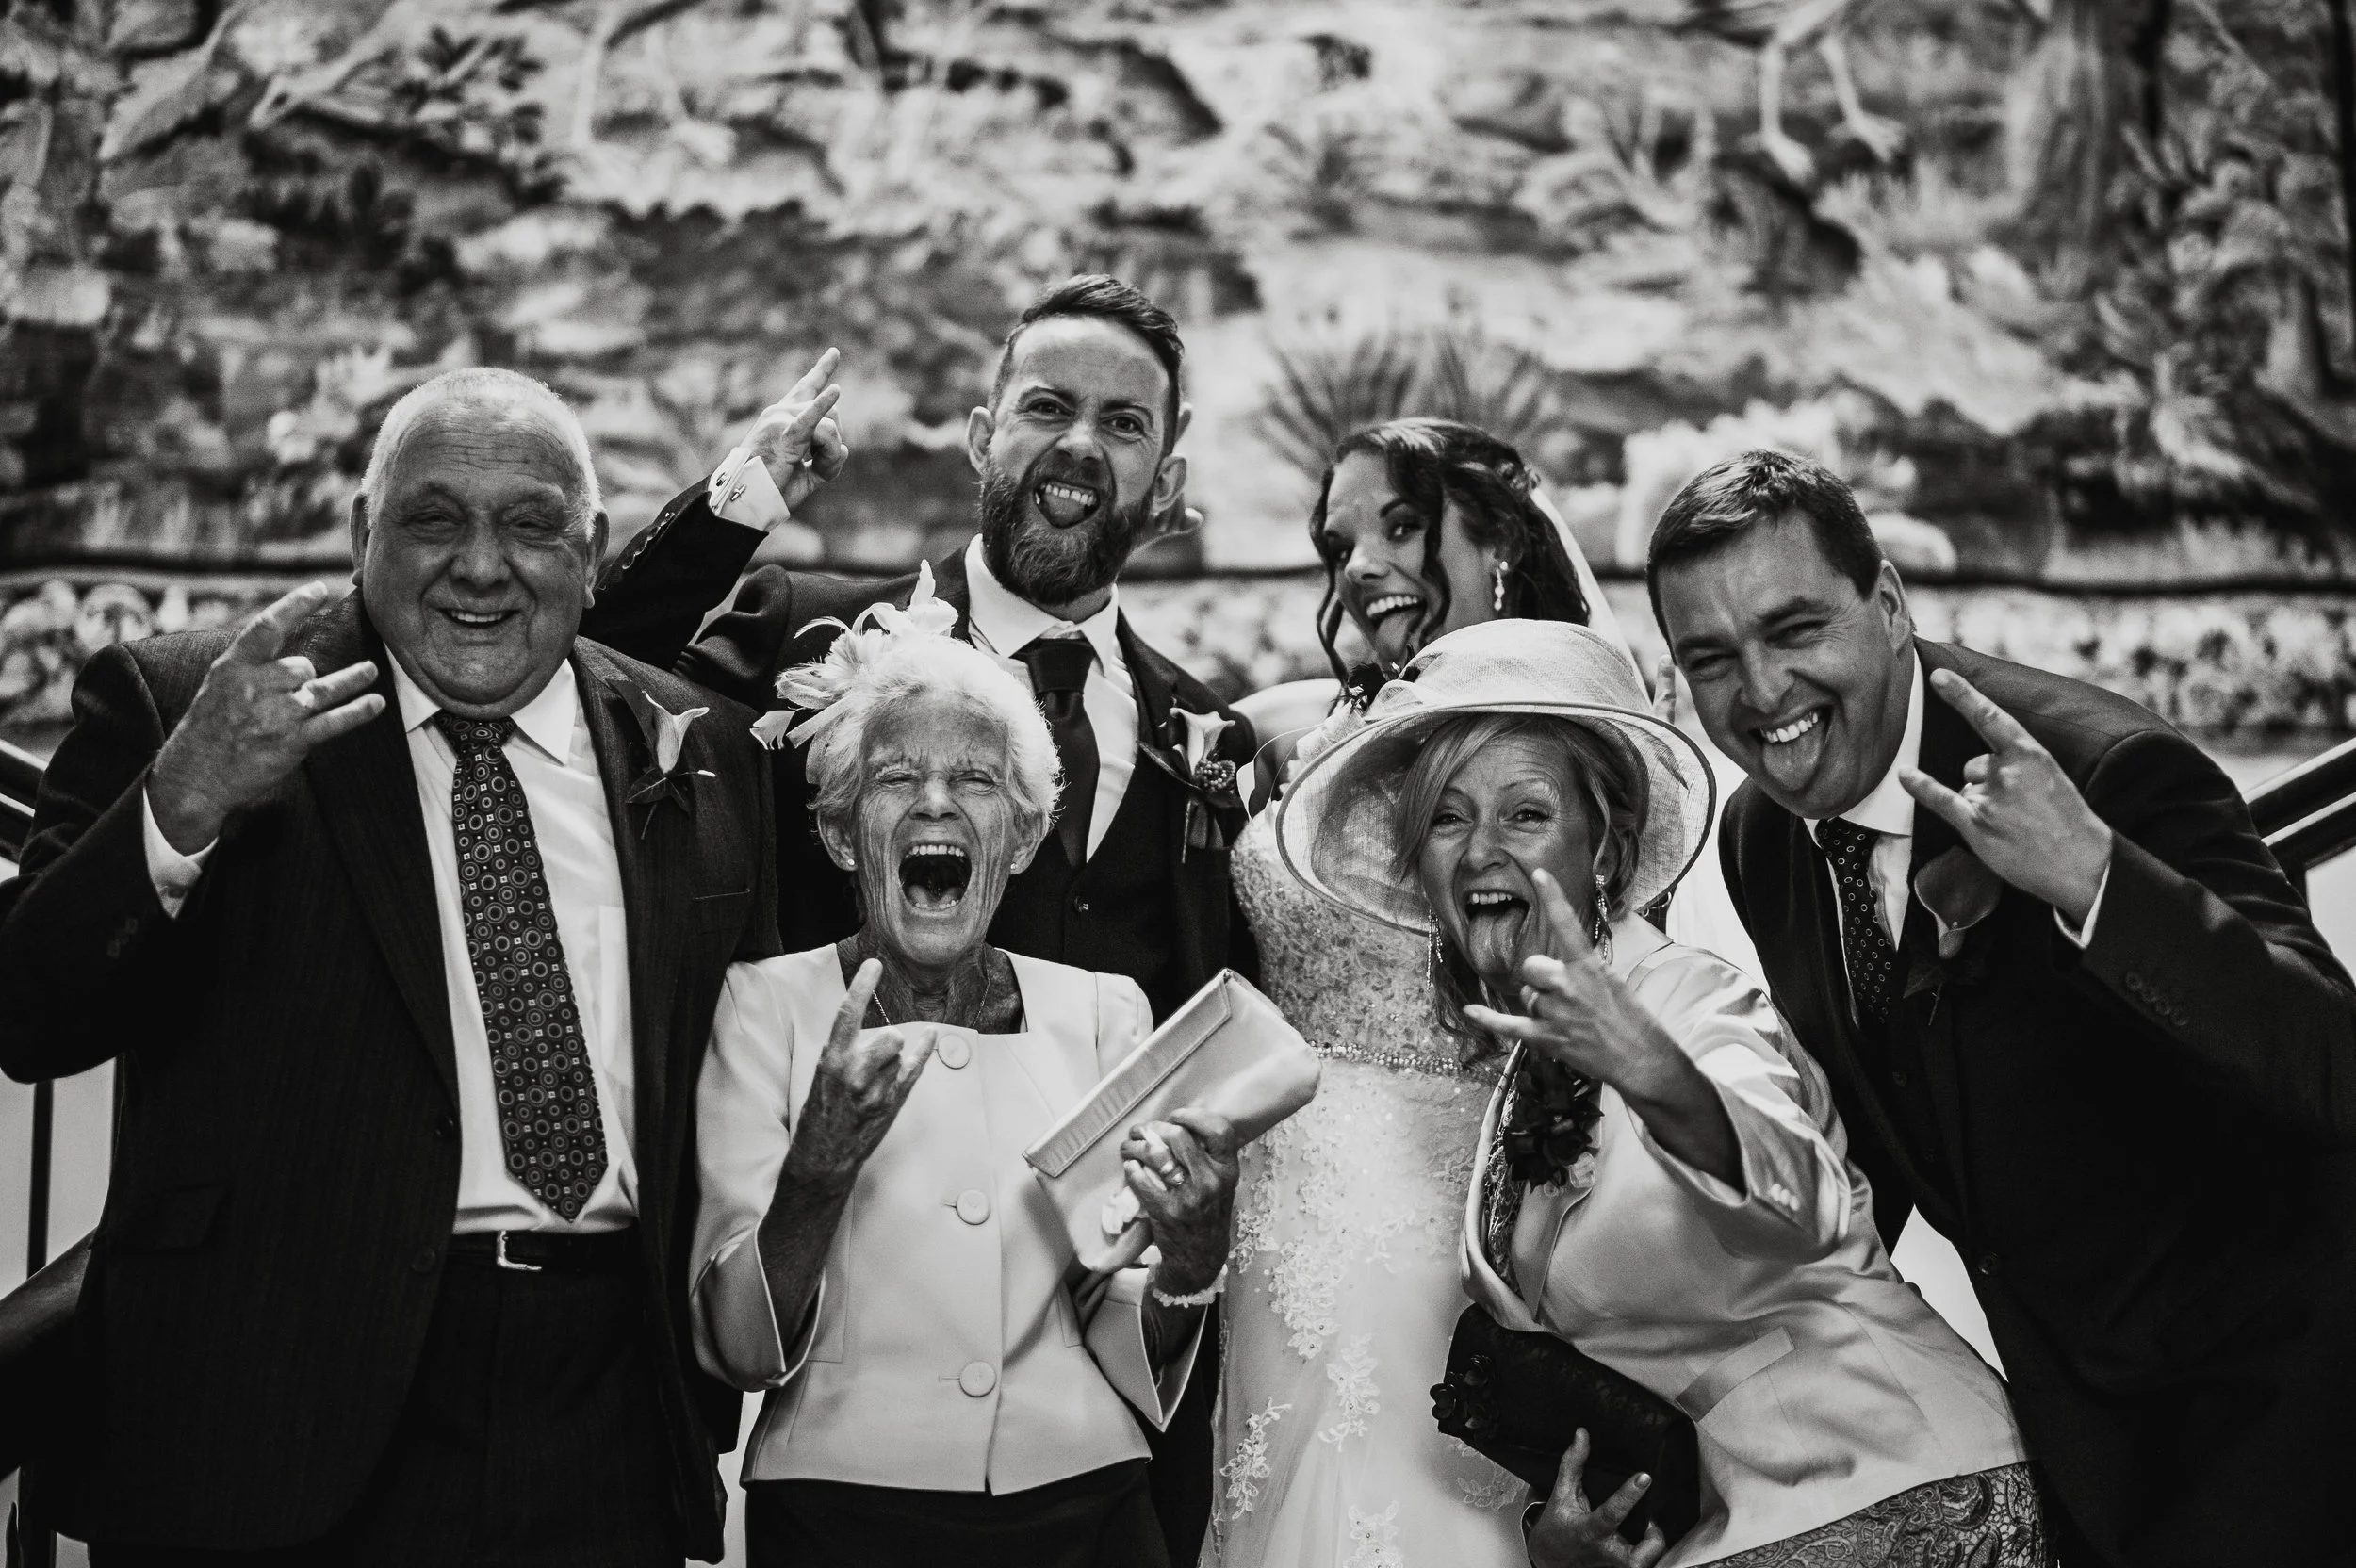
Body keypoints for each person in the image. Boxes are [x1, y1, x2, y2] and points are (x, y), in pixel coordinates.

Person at [0, 368, 779, 1565]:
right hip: (272, 1415)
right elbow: (30, 1014)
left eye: (529, 522)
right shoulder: (186, 703)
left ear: (591, 548)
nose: (481, 563)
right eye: (432, 517)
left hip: (608, 1417)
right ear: (364, 532)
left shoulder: (702, 749)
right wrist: (184, 799)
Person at [581, 274, 1254, 1561]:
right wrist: (746, 501)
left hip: (1095, 1458)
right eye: (1047, 406)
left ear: (1165, 482)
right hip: (849, 1424)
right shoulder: (812, 631)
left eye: (1124, 424)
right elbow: (595, 667)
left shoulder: (1200, 734)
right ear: (979, 434)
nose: (1078, 444)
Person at [1646, 449, 2356, 1566]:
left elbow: (2331, 1060)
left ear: (1886, 603)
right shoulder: (1762, 835)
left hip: (2293, 1409)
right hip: (2080, 1442)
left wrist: (2095, 880)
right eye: (1711, 658)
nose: (1761, 692)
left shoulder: (2105, 769)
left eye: (1793, 630)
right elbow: (1874, 1154)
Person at [1276, 618, 2044, 1568]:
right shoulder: (1518, 1073)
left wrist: (1656, 1072)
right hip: (1737, 1522)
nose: (1479, 850)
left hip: (1909, 1487)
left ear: (1604, 851)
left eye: (1524, 813)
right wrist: (1557, 1537)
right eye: (1446, 815)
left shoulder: (1687, 997)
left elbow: (1807, 1200)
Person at [1206, 423, 1757, 1565]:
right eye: (1337, 540)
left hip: (1451, 1199)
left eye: (1399, 527)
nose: (1359, 564)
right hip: (1278, 1212)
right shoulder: (1311, 738)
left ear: (1499, 541)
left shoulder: (1573, 748)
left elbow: (1602, 978)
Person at [692, 580, 1235, 1567]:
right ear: (839, 830)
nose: (936, 799)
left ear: (1020, 837)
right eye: (897, 777)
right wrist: (813, 1177)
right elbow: (739, 1347)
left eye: (977, 781)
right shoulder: (764, 1007)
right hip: (843, 1519)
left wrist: (1192, 1265)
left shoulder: (1106, 1013)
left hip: (1090, 1514)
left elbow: (1119, 1329)